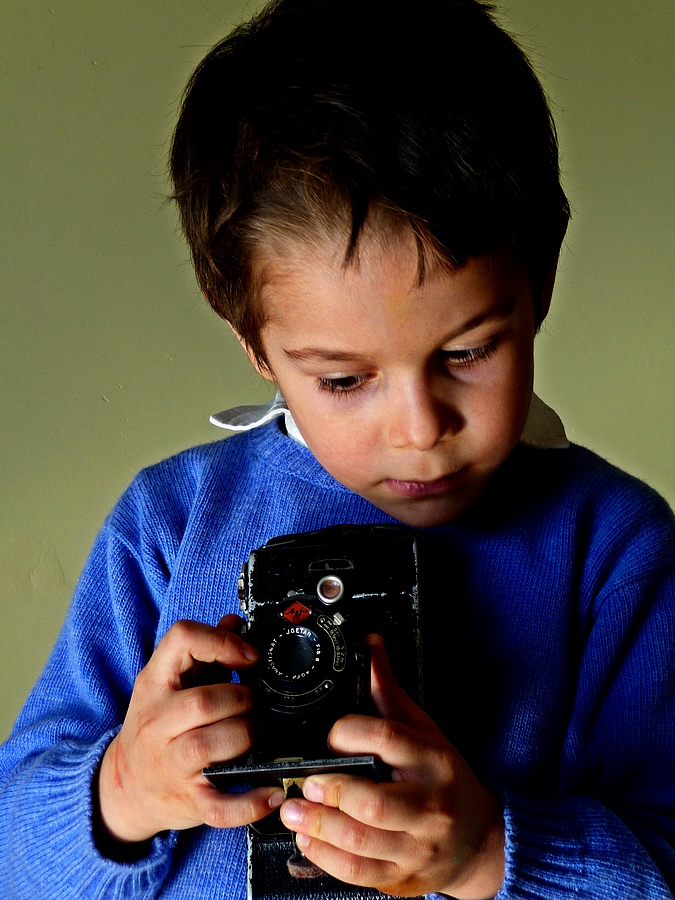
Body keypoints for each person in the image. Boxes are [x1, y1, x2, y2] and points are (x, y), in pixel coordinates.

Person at [0, 0, 673, 897]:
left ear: (540, 279)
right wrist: (120, 791)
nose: (418, 429)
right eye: (344, 379)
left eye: (467, 353)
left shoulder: (611, 547)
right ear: (254, 341)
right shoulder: (168, 524)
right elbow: (11, 855)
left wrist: (487, 852)